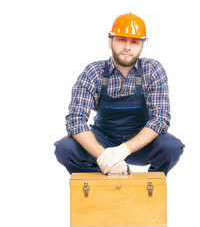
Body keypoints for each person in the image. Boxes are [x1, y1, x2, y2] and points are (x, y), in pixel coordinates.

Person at [54, 12, 185, 176]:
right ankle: (100, 182)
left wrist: (122, 151)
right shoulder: (93, 72)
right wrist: (103, 156)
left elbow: (160, 119)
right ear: (110, 41)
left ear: (142, 45)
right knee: (65, 148)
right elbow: (75, 119)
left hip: (142, 143)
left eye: (134, 42)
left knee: (171, 147)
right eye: (122, 39)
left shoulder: (152, 69)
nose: (128, 47)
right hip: (103, 141)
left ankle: (149, 189)